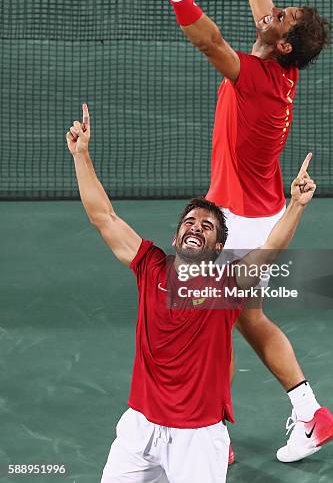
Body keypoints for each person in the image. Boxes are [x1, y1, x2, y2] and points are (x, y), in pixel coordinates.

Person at [149, 0, 333, 464]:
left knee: (209, 319)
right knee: (244, 318)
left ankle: (213, 435)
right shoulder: (279, 61)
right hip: (256, 214)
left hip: (235, 223)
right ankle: (311, 414)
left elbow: (208, 40)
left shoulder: (256, 78)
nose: (271, 9)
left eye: (279, 16)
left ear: (282, 42)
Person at [66, 103, 318, 482]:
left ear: (218, 248)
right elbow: (104, 217)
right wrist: (81, 155)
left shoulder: (228, 285)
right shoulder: (150, 266)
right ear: (177, 236)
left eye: (208, 225)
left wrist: (296, 206)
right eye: (189, 221)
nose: (196, 227)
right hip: (139, 427)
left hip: (197, 439)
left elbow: (270, 250)